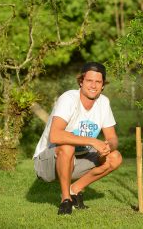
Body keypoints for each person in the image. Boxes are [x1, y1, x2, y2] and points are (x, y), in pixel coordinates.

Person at [33, 62, 122, 215]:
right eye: (89, 81)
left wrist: (109, 146)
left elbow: (113, 137)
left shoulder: (104, 102)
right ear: (81, 82)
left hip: (78, 159)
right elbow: (55, 135)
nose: (93, 85)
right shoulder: (68, 99)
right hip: (47, 162)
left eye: (98, 82)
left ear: (103, 85)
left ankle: (74, 190)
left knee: (115, 157)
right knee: (67, 146)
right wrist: (93, 141)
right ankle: (65, 200)